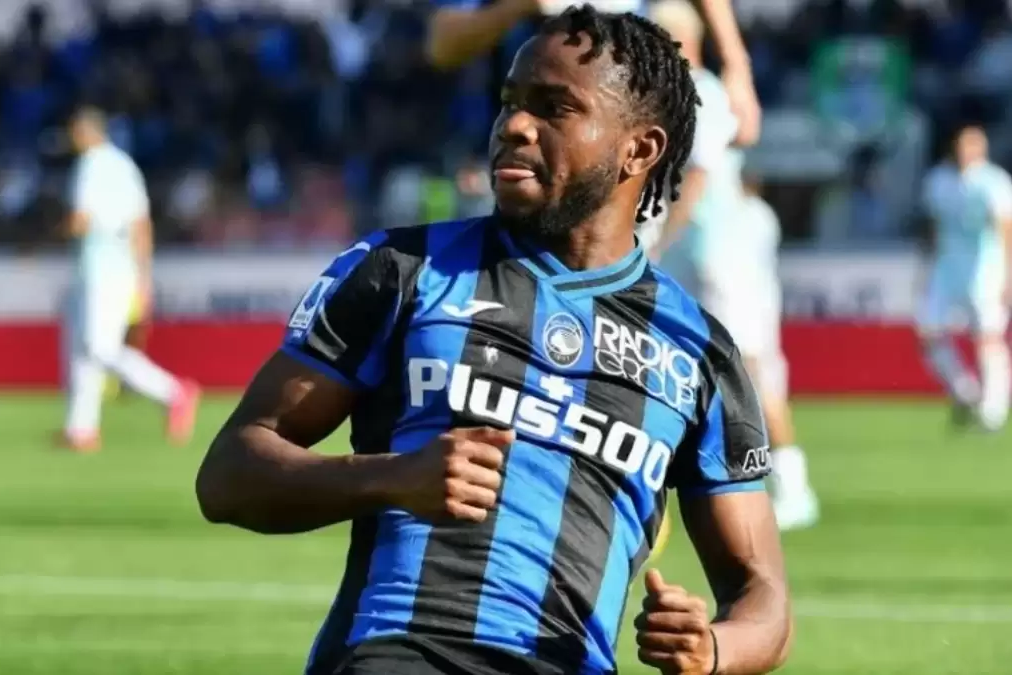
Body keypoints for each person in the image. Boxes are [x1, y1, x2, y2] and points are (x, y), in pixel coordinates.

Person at [196, 7, 791, 675]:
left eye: (553, 107)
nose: (512, 125)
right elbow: (228, 475)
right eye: (509, 102)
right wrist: (391, 477)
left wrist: (713, 648)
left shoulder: (697, 349)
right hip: (394, 656)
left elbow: (762, 597)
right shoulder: (403, 271)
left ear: (640, 149)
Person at [641, 0, 818, 532]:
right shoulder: (675, 98)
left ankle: (792, 486)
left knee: (749, 367)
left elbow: (697, 177)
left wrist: (656, 240)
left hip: (723, 254)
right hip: (699, 252)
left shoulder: (705, 94)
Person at [427, 0, 761, 146]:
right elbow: (442, 46)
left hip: (621, 154)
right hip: (516, 152)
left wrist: (736, 69)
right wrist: (519, 6)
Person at [60, 107, 200, 452]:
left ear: (82, 132)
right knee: (83, 346)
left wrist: (43, 237)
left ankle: (173, 392)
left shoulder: (90, 165)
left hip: (98, 268)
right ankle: (80, 430)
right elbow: (141, 224)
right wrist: (143, 275)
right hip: (123, 268)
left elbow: (80, 219)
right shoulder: (125, 166)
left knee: (96, 347)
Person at [919, 124, 1012, 432]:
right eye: (964, 145)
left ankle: (993, 410)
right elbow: (933, 227)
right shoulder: (938, 180)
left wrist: (1008, 274)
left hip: (985, 267)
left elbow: (1005, 228)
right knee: (929, 334)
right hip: (947, 267)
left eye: (975, 145)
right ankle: (965, 391)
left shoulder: (994, 181)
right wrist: (927, 267)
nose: (968, 151)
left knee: (988, 337)